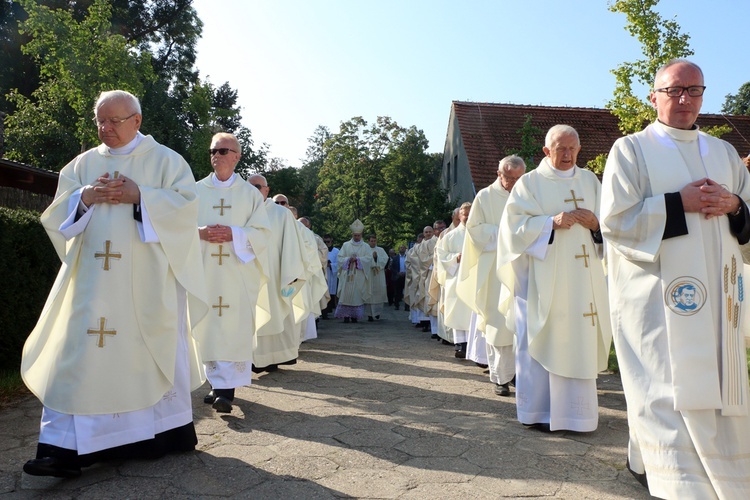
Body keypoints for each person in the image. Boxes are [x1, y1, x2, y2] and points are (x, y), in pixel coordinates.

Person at [21, 90, 208, 477]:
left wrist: (142, 196)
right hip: (92, 283)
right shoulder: (83, 164)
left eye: (114, 121)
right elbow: (56, 217)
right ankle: (63, 449)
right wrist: (85, 197)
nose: (106, 128)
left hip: (147, 283)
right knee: (76, 351)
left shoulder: (167, 161)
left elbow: (187, 211)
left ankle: (157, 435)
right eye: (100, 122)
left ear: (136, 121)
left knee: (145, 352)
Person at [600, 59, 750, 498]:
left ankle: (729, 473)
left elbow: (748, 218)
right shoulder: (630, 150)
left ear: (703, 96)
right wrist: (674, 203)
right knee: (664, 387)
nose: (685, 99)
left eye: (694, 91)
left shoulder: (723, 154)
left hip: (721, 303)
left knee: (719, 384)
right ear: (654, 97)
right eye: (674, 90)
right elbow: (616, 221)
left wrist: (734, 207)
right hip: (660, 300)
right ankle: (674, 479)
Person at [497, 124, 612, 432]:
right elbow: (511, 230)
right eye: (560, 148)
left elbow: (611, 227)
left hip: (584, 282)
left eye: (573, 149)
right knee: (545, 334)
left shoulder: (590, 180)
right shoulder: (530, 184)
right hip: (544, 280)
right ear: (546, 151)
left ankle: (578, 417)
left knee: (578, 337)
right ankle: (539, 413)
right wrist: (549, 224)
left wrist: (596, 224)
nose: (567, 154)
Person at [193, 132, 271, 413]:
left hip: (236, 274)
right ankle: (215, 384)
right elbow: (178, 228)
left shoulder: (250, 195)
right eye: (214, 150)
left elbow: (263, 234)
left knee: (231, 326)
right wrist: (199, 234)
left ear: (237, 157)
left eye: (224, 150)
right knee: (207, 325)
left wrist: (234, 234)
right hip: (204, 271)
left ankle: (226, 390)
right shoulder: (195, 191)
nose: (217, 155)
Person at [458, 155, 525, 395]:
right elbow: (474, 230)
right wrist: (503, 233)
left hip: (523, 268)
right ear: (499, 174)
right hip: (495, 270)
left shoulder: (527, 193)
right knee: (499, 324)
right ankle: (500, 378)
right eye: (509, 178)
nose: (513, 183)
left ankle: (519, 374)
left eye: (518, 178)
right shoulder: (485, 197)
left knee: (521, 324)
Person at [247, 176, 306, 372]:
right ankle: (250, 359)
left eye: (257, 186)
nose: (252, 190)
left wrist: (289, 275)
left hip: (274, 275)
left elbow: (291, 246)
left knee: (274, 311)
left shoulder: (281, 214)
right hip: (246, 274)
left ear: (266, 190)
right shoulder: (238, 210)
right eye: (248, 186)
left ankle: (272, 358)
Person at [438, 203, 473, 356]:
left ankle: (473, 345)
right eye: (465, 214)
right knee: (459, 311)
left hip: (474, 279)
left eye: (470, 213)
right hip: (457, 278)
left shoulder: (479, 233)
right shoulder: (450, 236)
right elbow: (441, 255)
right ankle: (460, 344)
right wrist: (455, 258)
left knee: (472, 312)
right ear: (459, 216)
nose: (467, 217)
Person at [335, 219, 372, 323]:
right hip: (347, 274)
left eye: (358, 235)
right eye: (355, 235)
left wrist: (358, 260)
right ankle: (345, 316)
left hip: (358, 275)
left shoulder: (366, 246)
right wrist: (348, 260)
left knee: (357, 295)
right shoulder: (346, 245)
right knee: (345, 295)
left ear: (361, 235)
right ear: (352, 234)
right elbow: (340, 258)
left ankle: (355, 316)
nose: (356, 237)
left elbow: (369, 259)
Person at [364, 234, 388, 321]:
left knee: (378, 294)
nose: (373, 243)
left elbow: (385, 259)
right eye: (371, 241)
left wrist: (376, 258)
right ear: (368, 241)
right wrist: (372, 259)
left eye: (374, 241)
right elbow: (363, 260)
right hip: (369, 275)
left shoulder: (380, 250)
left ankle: (377, 313)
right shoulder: (365, 250)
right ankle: (370, 315)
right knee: (369, 295)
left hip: (378, 275)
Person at [322, 235, 339, 319]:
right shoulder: (320, 250)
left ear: (331, 241)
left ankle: (329, 309)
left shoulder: (336, 251)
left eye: (328, 241)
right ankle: (324, 312)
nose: (326, 243)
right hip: (323, 273)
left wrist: (331, 264)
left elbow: (339, 263)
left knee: (330, 292)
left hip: (331, 274)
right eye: (324, 242)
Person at [390, 245, 407, 310]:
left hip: (406, 276)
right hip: (397, 277)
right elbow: (392, 267)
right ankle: (396, 305)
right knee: (397, 292)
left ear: (405, 249)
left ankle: (407, 306)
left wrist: (406, 272)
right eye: (401, 248)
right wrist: (397, 273)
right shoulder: (395, 258)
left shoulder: (408, 257)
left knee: (406, 292)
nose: (402, 249)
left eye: (403, 248)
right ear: (399, 249)